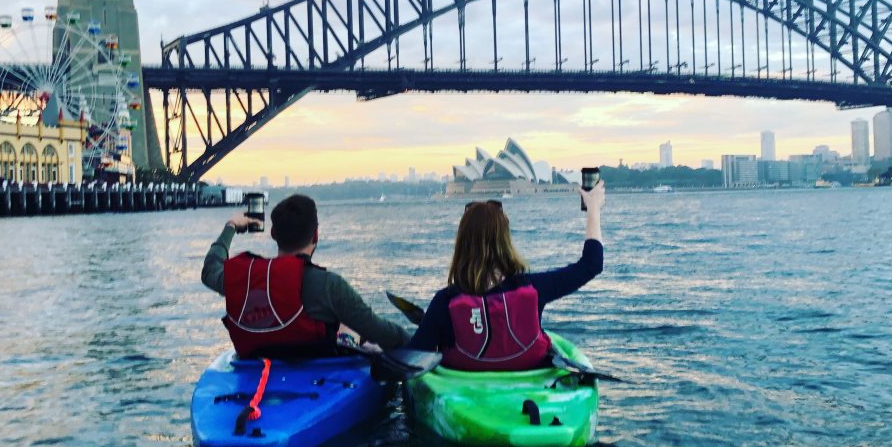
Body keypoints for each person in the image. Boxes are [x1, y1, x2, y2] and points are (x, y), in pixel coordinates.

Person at [408, 181, 605, 370]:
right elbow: (591, 265)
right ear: (505, 241)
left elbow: (411, 359)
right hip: (530, 386)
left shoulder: (444, 302)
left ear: (462, 243)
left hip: (466, 394)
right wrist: (593, 208)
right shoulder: (534, 288)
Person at [201, 193, 410, 358]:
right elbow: (379, 331)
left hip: (258, 366)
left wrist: (231, 226)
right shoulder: (329, 286)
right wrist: (421, 342)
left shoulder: (245, 279)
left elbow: (210, 269)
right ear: (316, 235)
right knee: (352, 327)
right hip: (318, 369)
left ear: (274, 235)